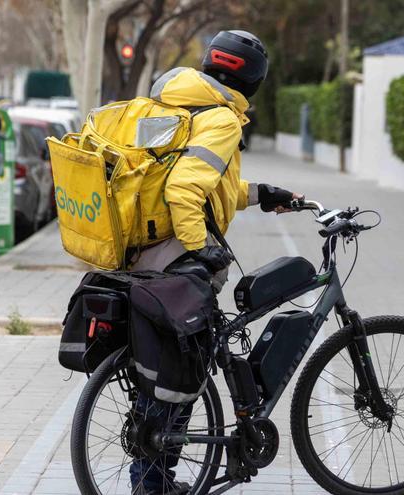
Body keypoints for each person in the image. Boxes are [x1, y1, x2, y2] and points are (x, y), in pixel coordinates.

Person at [127, 30, 299, 494]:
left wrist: (264, 195)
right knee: (184, 370)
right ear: (255, 79)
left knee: (162, 367)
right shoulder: (222, 119)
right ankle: (153, 482)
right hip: (176, 257)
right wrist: (201, 249)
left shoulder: (174, 104)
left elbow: (209, 187)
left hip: (143, 247)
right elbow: (183, 190)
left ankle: (149, 474)